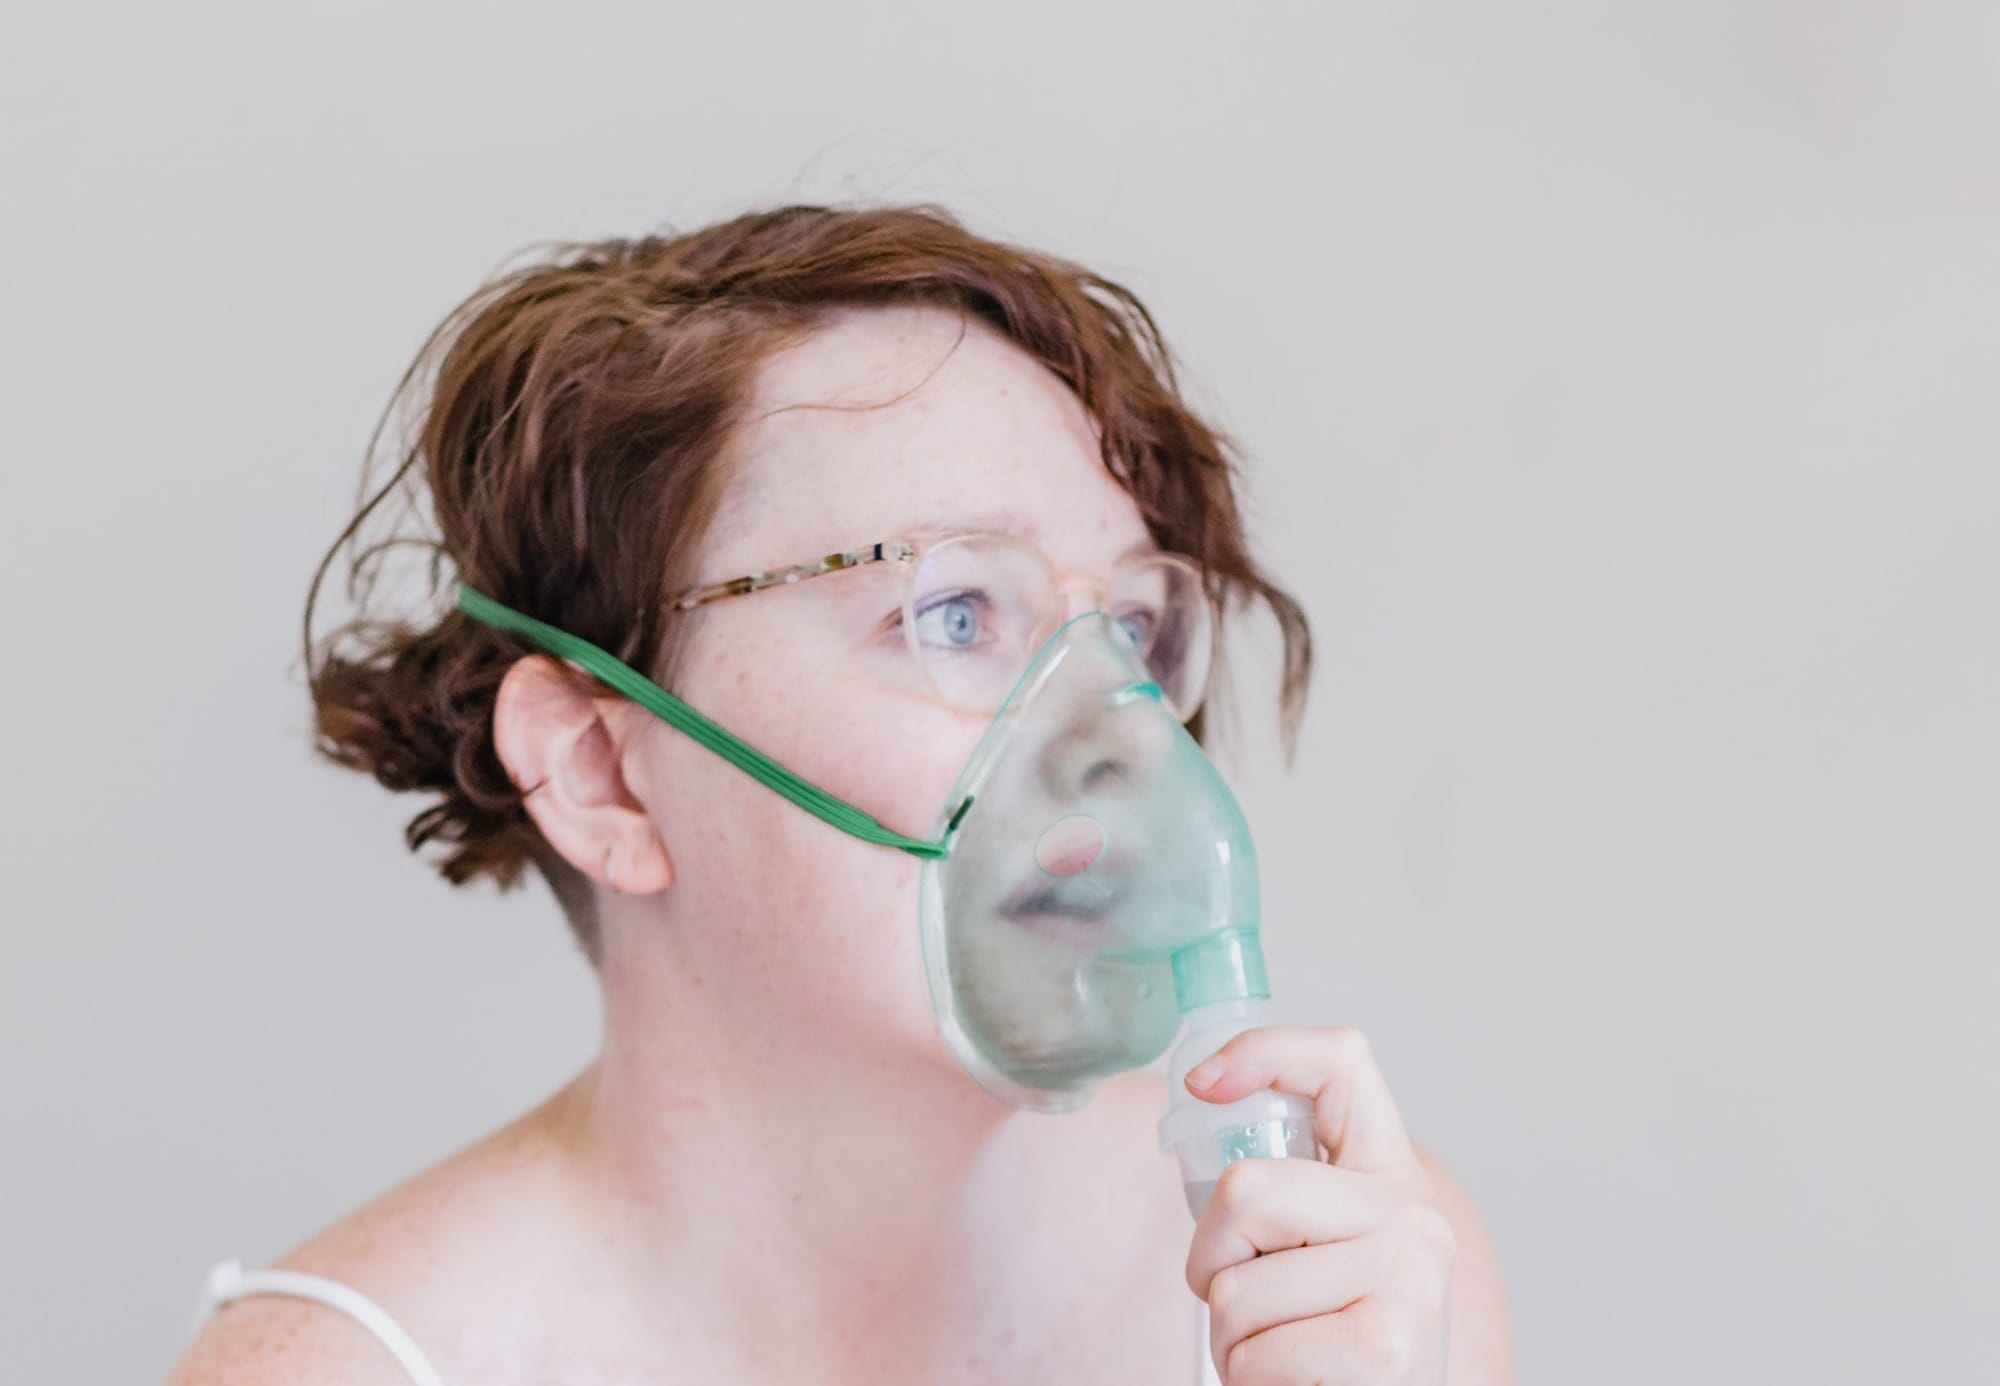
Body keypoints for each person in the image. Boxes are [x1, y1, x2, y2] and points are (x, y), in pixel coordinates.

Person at [166, 204, 1516, 1385]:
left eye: (1134, 625)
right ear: (599, 773)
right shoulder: (342, 1371)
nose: (1115, 723)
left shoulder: (1344, 1287)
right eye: (953, 609)